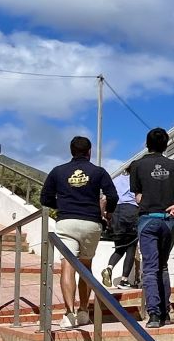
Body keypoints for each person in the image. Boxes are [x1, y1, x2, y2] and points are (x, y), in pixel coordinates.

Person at [41, 136, 118, 328]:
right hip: (91, 223)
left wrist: (64, 205)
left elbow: (45, 198)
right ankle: (84, 311)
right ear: (89, 152)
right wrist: (108, 213)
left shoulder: (58, 171)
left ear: (71, 151)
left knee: (67, 266)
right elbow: (113, 196)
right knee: (85, 266)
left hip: (67, 222)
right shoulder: (98, 171)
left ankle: (69, 314)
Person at [130, 127, 174, 328]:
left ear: (147, 144)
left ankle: (155, 315)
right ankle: (165, 311)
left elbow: (138, 196)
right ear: (166, 145)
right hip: (168, 220)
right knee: (163, 266)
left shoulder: (137, 166)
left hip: (148, 219)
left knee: (150, 268)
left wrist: (146, 200)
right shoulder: (173, 165)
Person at [101, 167, 140, 290]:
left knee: (119, 247)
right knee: (131, 247)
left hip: (116, 213)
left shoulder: (116, 180)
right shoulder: (137, 180)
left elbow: (104, 198)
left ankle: (109, 267)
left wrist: (105, 215)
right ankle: (124, 280)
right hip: (131, 211)